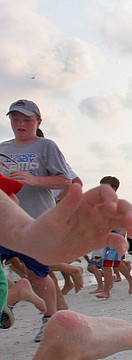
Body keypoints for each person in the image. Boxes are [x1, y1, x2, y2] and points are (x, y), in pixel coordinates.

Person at [0, 174, 132, 358]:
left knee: (110, 265)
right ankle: (59, 348)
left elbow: (11, 196)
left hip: (109, 240)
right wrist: (27, 236)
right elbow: (11, 197)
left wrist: (27, 236)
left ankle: (59, 348)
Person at [0, 99, 77, 341]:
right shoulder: (2, 148)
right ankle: (11, 297)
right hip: (5, 222)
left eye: (27, 119)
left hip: (36, 220)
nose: (20, 124)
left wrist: (34, 181)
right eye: (16, 119)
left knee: (37, 273)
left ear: (38, 122)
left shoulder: (46, 146)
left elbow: (66, 181)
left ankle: (49, 320)